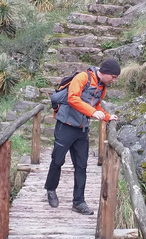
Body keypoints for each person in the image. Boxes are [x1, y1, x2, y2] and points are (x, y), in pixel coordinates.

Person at [44, 58, 120, 215]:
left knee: (81, 166)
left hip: (82, 129)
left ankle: (78, 202)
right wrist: (92, 112)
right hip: (65, 125)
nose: (114, 80)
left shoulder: (102, 86)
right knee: (57, 159)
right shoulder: (83, 77)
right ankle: (51, 189)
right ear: (105, 72)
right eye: (113, 76)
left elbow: (96, 104)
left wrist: (107, 116)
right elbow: (72, 98)